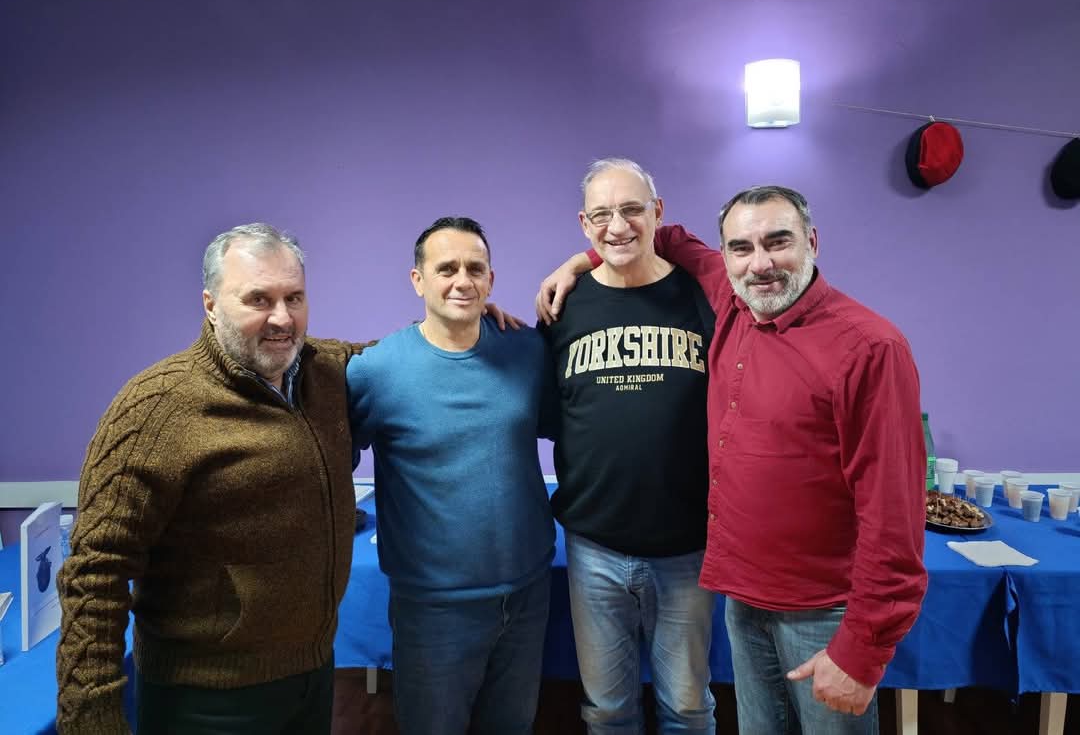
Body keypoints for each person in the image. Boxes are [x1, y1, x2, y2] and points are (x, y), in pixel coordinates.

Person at [538, 185, 927, 734]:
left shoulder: (869, 347)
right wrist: (583, 259)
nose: (760, 263)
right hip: (744, 598)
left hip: (824, 609)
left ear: (812, 242)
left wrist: (862, 651)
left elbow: (894, 517)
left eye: (778, 242)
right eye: (741, 247)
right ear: (724, 256)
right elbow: (661, 236)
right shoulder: (731, 296)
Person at [55, 223, 371, 735]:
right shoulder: (158, 407)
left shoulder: (325, 371)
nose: (282, 318)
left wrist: (473, 320)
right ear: (210, 305)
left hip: (311, 678)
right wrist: (91, 718)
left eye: (294, 298)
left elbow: (412, 357)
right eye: (258, 299)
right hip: (204, 700)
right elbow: (95, 572)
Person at [346, 216, 556, 735]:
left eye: (475, 269)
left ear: (490, 279)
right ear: (417, 280)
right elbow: (331, 458)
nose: (462, 281)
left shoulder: (527, 351)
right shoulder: (376, 370)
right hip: (431, 610)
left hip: (527, 593)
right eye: (446, 269)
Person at [539, 158, 717, 733]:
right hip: (594, 546)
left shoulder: (702, 296)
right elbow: (550, 412)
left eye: (632, 209)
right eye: (601, 215)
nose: (617, 226)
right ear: (583, 224)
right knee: (607, 710)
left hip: (687, 545)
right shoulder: (562, 307)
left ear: (658, 212)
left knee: (687, 707)